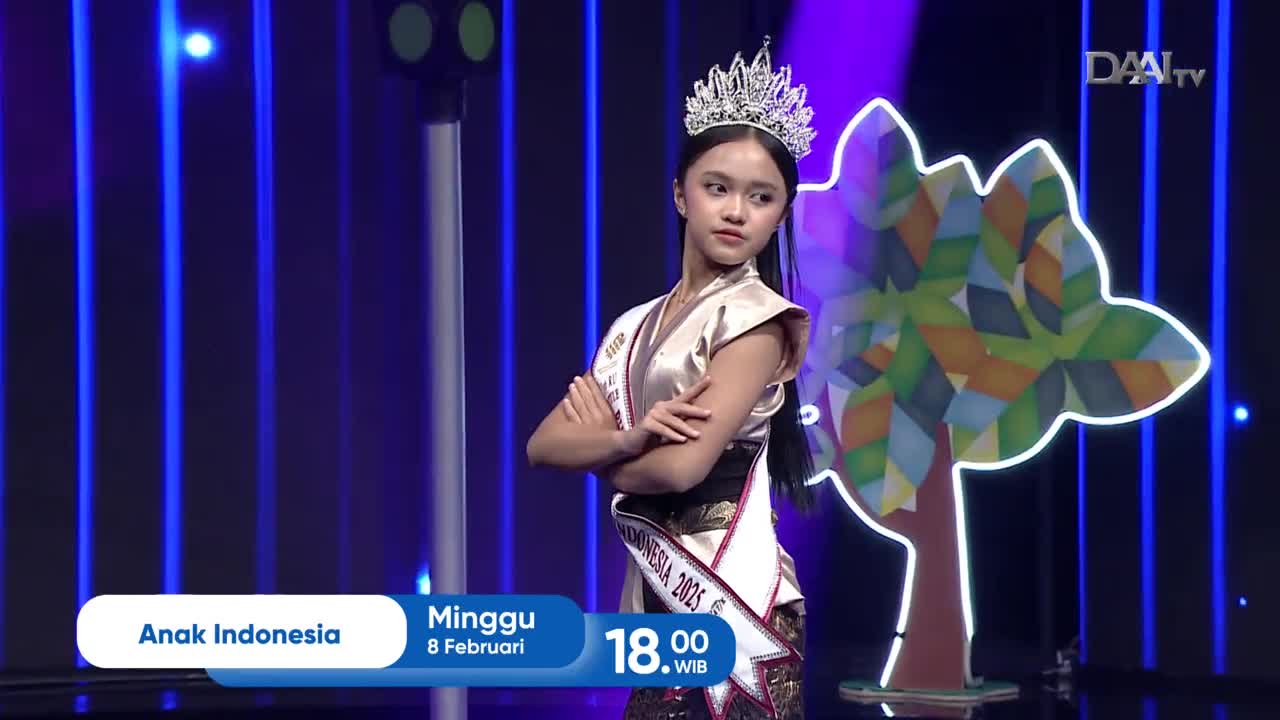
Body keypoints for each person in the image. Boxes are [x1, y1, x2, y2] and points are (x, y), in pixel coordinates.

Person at [526, 38, 816, 720]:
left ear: (780, 214)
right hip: (656, 599)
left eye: (762, 196)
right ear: (681, 195)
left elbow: (684, 469)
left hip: (736, 601)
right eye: (718, 188)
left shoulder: (757, 321)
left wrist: (606, 452)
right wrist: (628, 445)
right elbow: (543, 446)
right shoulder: (635, 324)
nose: (736, 211)